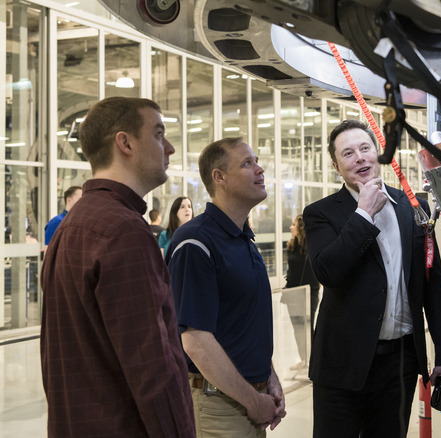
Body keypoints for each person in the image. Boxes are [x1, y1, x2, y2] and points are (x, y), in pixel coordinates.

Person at [40, 96, 196, 437]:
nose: (169, 147)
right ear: (124, 143)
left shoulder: (75, 223)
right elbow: (154, 367)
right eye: (158, 133)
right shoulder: (123, 230)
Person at [302, 119, 441, 437]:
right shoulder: (321, 213)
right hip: (342, 367)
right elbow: (328, 272)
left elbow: (433, 285)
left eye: (365, 148)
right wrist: (364, 214)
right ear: (336, 166)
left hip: (399, 365)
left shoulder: (410, 206)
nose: (360, 158)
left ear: (378, 154)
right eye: (348, 153)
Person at [166, 137, 285, 437]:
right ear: (219, 177)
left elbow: (242, 322)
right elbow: (196, 341)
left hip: (248, 398)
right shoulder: (196, 241)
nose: (260, 169)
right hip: (219, 405)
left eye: (257, 161)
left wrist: (268, 377)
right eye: (247, 163)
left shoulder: (243, 238)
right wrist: (251, 400)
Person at [283, 214, 319, 370]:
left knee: (307, 326)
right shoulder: (291, 245)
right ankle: (304, 359)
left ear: (301, 228)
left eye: (293, 225)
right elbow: (291, 270)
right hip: (292, 292)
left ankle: (314, 360)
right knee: (297, 328)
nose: (291, 227)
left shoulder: (312, 246)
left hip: (308, 293)